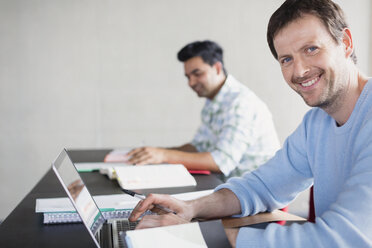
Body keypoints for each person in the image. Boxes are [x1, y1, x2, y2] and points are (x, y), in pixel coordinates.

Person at [128, 0, 372, 247]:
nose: (299, 71)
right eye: (286, 59)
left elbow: (343, 239)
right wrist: (190, 208)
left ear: (346, 43)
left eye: (311, 49)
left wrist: (203, 234)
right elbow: (263, 185)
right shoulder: (316, 123)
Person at [126, 40, 280, 180]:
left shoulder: (241, 103)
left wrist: (163, 155)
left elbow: (220, 162)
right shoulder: (213, 100)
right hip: (227, 186)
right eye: (188, 77)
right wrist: (154, 153)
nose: (191, 83)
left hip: (255, 194)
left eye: (197, 74)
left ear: (218, 68)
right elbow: (198, 147)